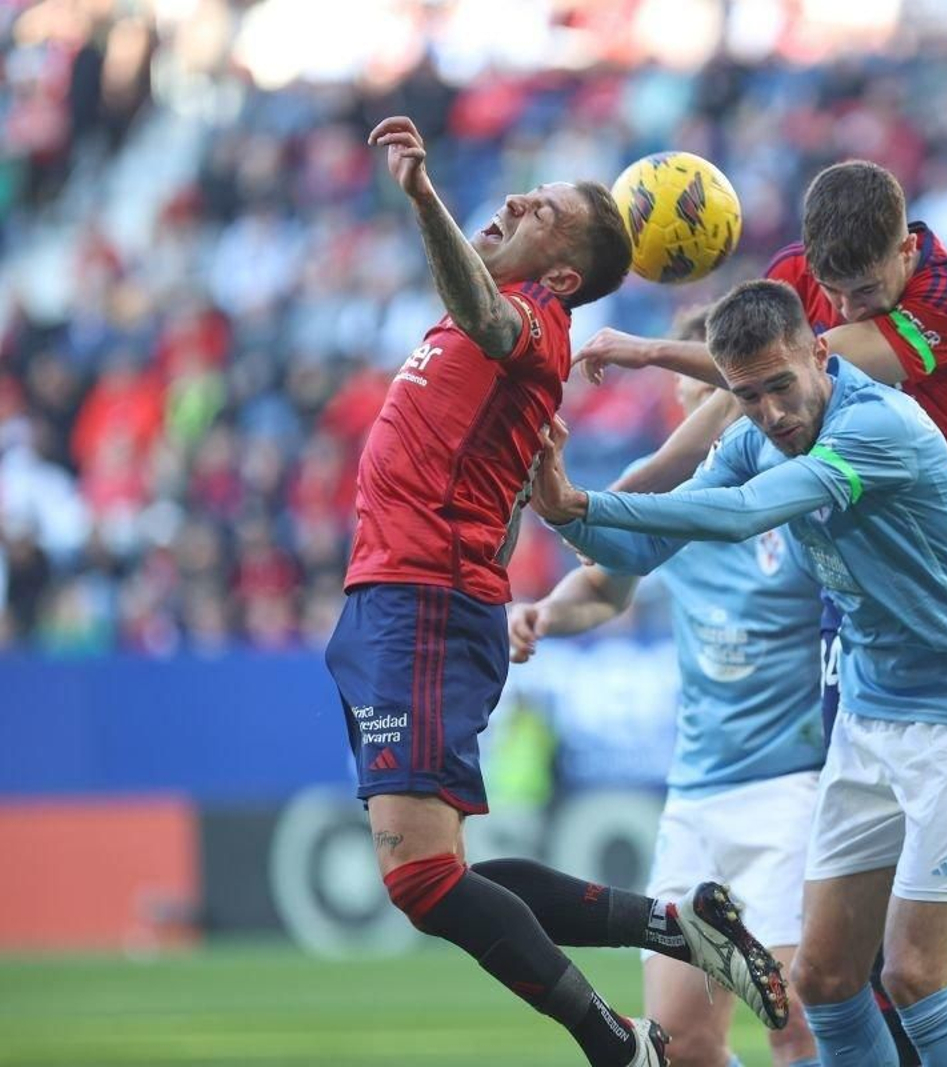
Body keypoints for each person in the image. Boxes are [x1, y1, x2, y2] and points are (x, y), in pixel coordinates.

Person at [579, 160, 947, 1067]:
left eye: (867, 291)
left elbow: (796, 368)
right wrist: (627, 492)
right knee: (830, 962)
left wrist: (655, 349)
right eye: (836, 289)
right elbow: (747, 403)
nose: (852, 306)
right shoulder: (796, 289)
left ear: (905, 248)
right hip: (854, 599)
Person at [322, 116, 786, 1067]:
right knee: (442, 871)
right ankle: (676, 928)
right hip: (399, 599)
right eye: (534, 191)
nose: (520, 199)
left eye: (547, 210)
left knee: (419, 879)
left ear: (564, 275)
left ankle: (617, 1044)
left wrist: (422, 196)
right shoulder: (471, 327)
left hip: (420, 599)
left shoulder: (532, 325)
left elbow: (487, 311)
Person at [508, 309, 824, 1067]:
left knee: (797, 1023)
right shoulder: (673, 512)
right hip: (696, 796)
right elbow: (604, 591)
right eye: (689, 394)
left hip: (795, 789)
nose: (697, 412)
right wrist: (544, 614)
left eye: (711, 393)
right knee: (682, 1043)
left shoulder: (800, 493)